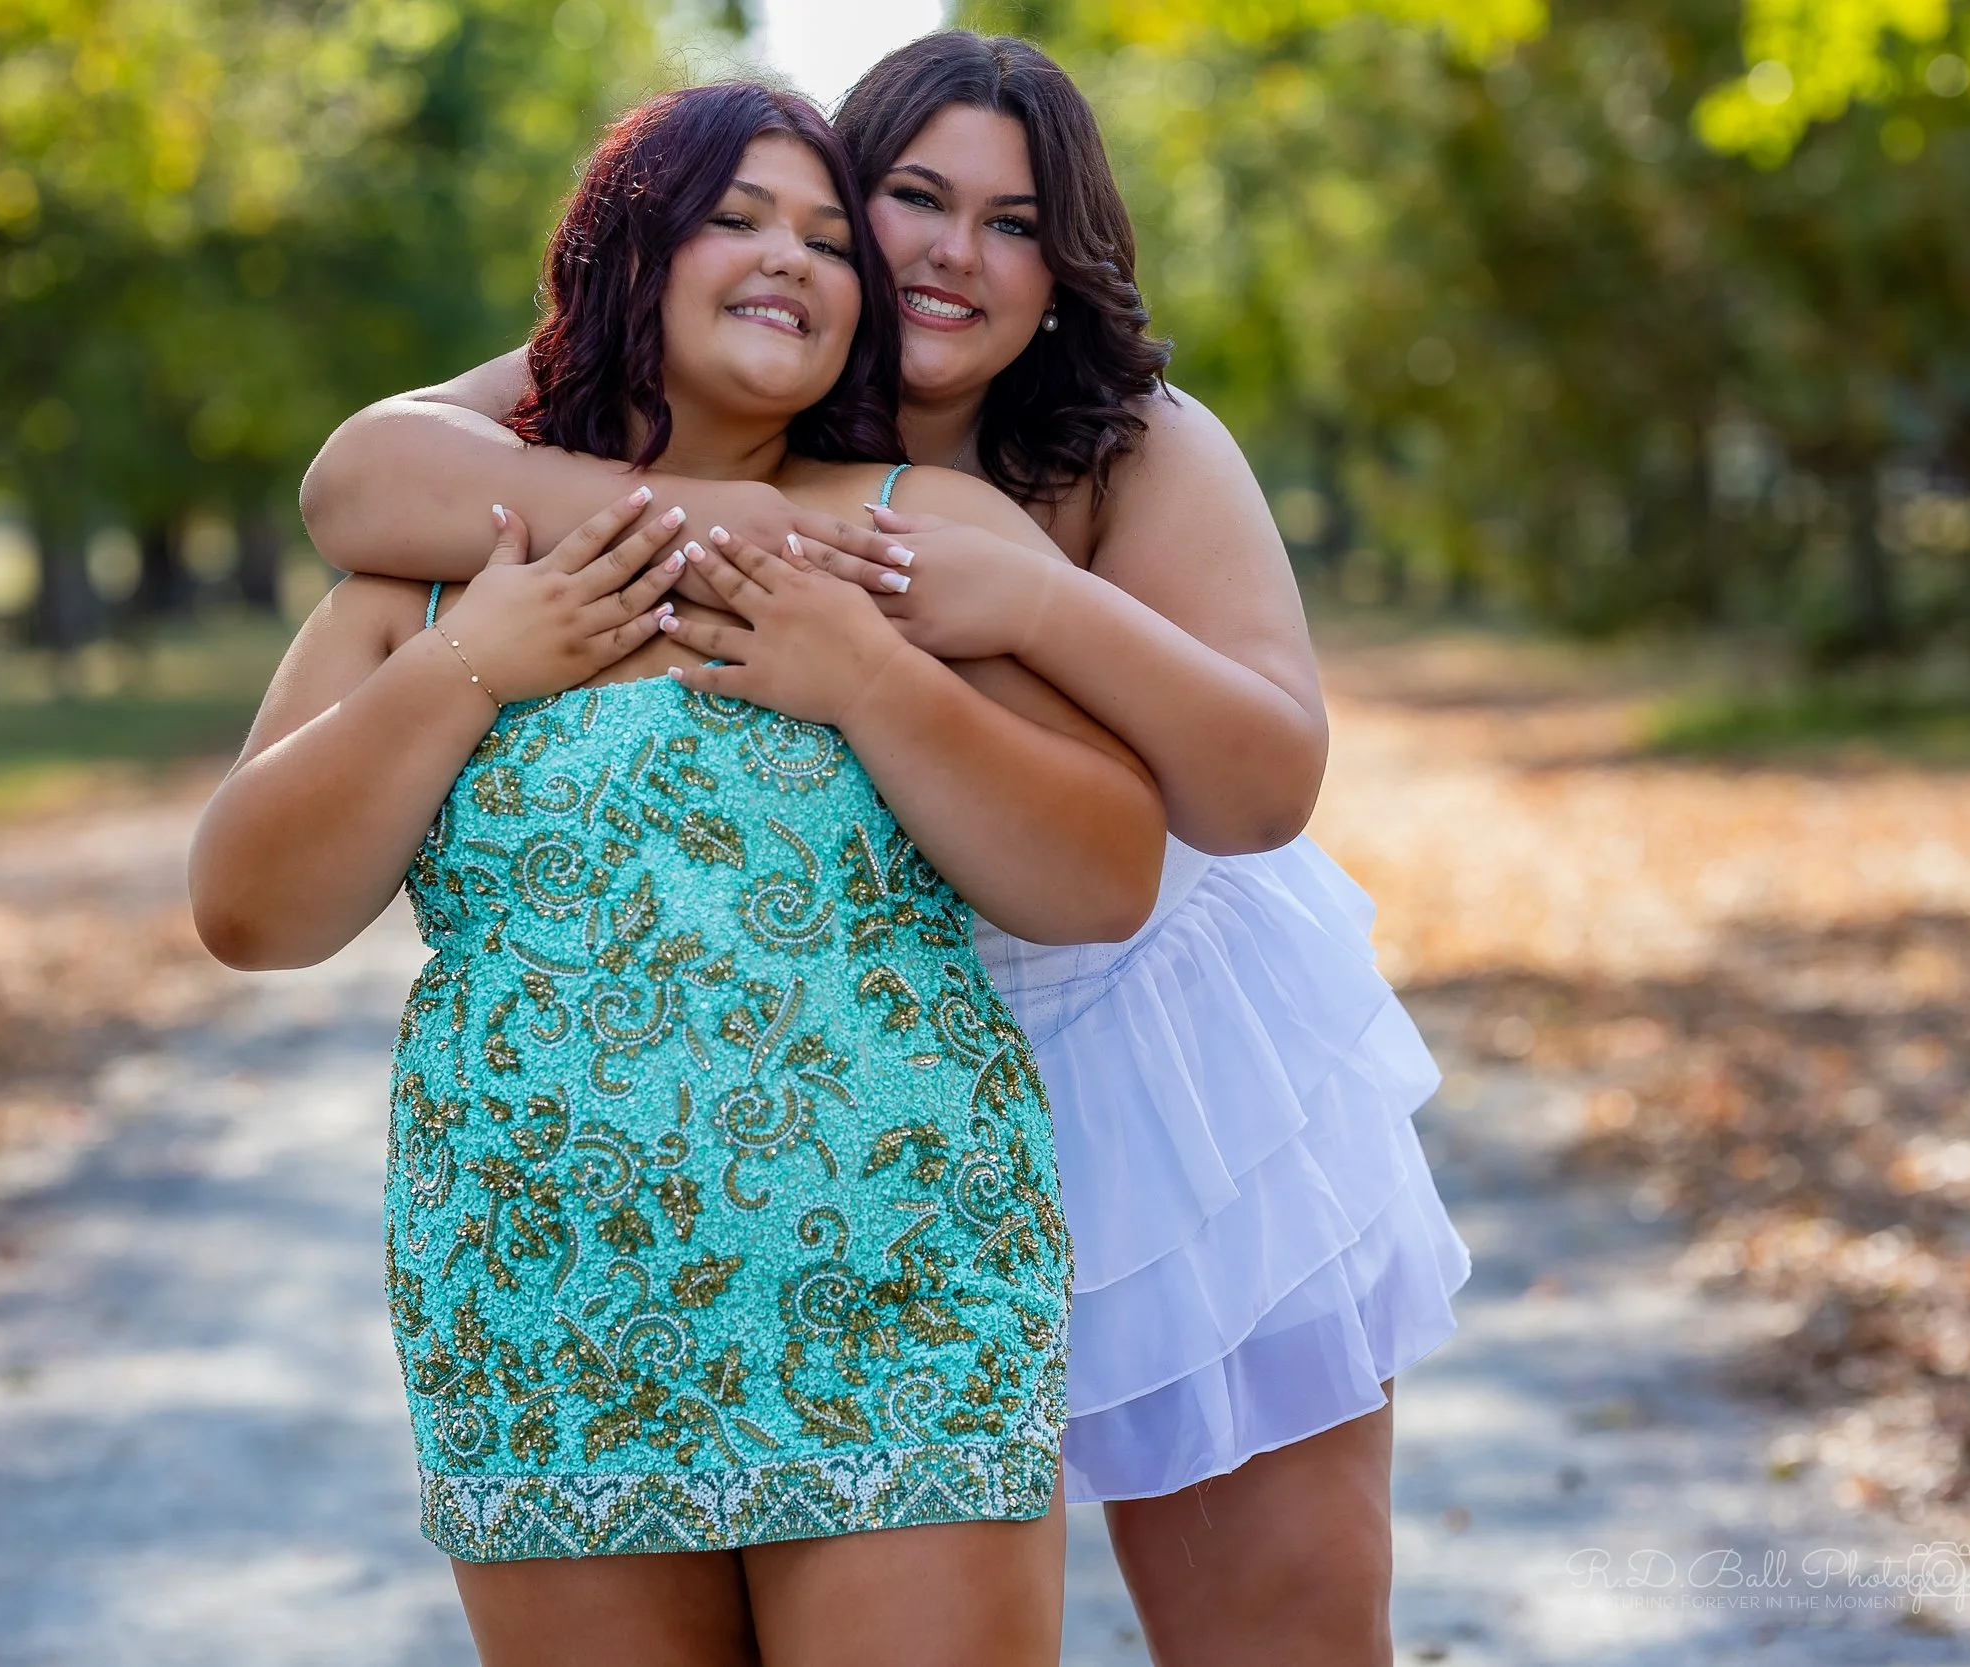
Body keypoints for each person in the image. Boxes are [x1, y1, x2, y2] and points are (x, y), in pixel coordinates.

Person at [299, 33, 1471, 1667]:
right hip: (845, 1062)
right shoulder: (703, 358)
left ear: (1064, 271)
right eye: (906, 200)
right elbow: (363, 477)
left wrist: (1034, 599)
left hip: (1140, 1035)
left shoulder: (1127, 441)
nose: (946, 252)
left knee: (1276, 1627)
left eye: (1010, 223)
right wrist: (746, 526)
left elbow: (1263, 786)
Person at [192, 81, 1168, 1667]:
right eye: (736, 216)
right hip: (543, 1319)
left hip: (900, 1295)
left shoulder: (911, 530)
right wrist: (471, 672)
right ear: (627, 253)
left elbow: (1105, 871)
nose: (790, 256)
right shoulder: (445, 565)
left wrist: (872, 681)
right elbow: (247, 908)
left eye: (830, 236)